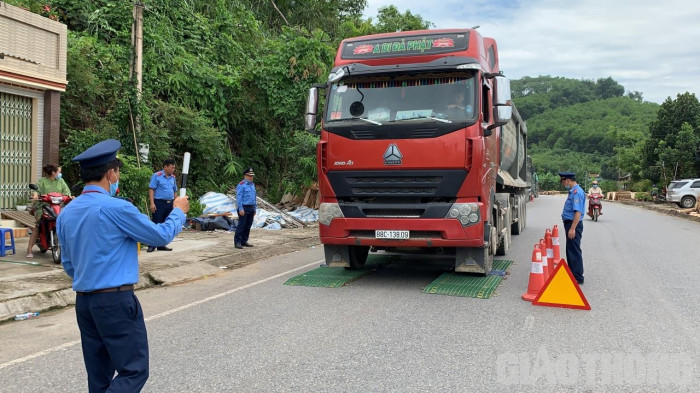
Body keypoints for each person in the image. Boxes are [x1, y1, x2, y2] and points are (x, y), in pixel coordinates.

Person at [57, 139, 189, 392]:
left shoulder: (67, 213)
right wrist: (178, 212)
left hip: (85, 302)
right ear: (111, 173)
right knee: (133, 370)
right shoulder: (117, 208)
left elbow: (69, 265)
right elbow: (160, 236)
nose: (117, 177)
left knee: (99, 377)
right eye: (117, 172)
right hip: (115, 302)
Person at [26, 164, 71, 258]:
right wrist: (35, 195)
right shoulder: (42, 181)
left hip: (57, 206)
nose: (60, 174)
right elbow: (36, 191)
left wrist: (70, 196)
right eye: (59, 172)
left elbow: (67, 192)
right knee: (38, 225)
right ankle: (29, 249)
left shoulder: (61, 181)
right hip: (43, 206)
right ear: (53, 172)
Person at [558, 172, 585, 284]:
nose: (563, 184)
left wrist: (573, 228)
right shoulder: (573, 191)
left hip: (573, 224)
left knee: (574, 249)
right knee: (571, 249)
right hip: (570, 223)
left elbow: (578, 212)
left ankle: (577, 277)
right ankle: (573, 273)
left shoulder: (577, 192)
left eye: (563, 181)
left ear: (568, 180)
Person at [147, 158, 178, 252]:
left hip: (169, 204)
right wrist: (152, 203)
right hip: (159, 203)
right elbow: (151, 189)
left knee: (165, 224)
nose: (173, 169)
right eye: (171, 167)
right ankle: (151, 245)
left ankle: (161, 245)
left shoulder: (173, 177)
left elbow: (174, 191)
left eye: (174, 168)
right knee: (156, 223)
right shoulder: (157, 176)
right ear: (165, 167)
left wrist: (175, 204)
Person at [234, 167, 257, 249]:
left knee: (248, 225)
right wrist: (240, 208)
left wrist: (254, 208)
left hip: (251, 207)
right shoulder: (241, 185)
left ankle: (244, 241)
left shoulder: (252, 185)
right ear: (245, 176)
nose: (251, 177)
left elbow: (254, 197)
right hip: (244, 207)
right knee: (241, 225)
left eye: (252, 176)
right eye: (249, 176)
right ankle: (237, 242)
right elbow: (239, 198)